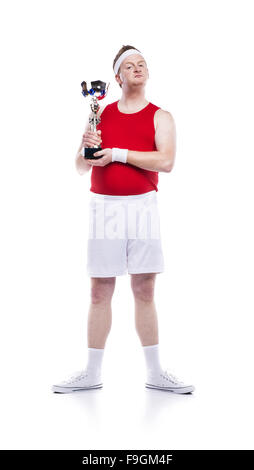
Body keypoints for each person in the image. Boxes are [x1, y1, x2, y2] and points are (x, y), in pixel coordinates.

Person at [52, 45, 195, 394]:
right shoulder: (100, 114)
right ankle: (91, 372)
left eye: (142, 64)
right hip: (104, 208)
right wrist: (89, 153)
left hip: (143, 207)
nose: (137, 69)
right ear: (117, 77)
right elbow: (79, 166)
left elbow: (166, 161)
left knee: (144, 288)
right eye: (129, 66)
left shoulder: (162, 117)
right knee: (100, 289)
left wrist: (117, 154)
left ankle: (155, 372)